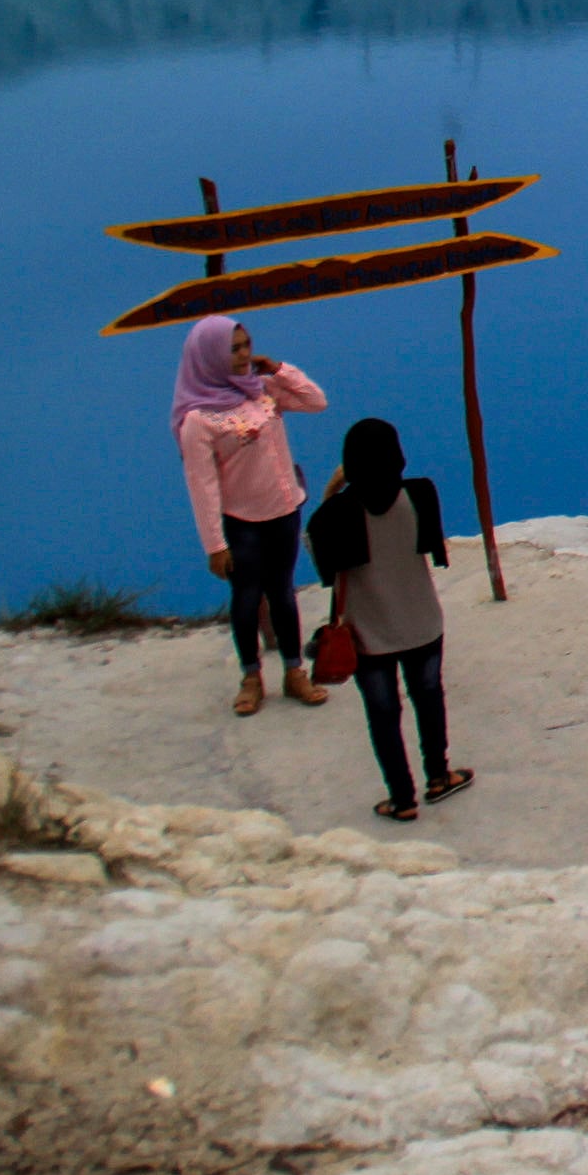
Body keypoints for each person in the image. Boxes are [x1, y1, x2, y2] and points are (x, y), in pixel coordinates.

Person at [308, 417, 471, 822]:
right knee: (429, 699)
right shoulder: (421, 494)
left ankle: (402, 799)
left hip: (369, 635)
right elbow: (435, 544)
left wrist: (332, 491)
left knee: (383, 716)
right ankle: (438, 776)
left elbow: (323, 565)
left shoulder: (339, 513)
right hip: (422, 623)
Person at [172, 313, 329, 717]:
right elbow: (202, 485)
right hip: (243, 522)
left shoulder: (262, 390)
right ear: (208, 357)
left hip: (284, 510)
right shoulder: (199, 420)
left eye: (245, 345)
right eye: (233, 349)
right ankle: (250, 676)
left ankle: (295, 672)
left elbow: (315, 401)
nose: (243, 355)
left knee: (283, 594)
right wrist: (214, 545)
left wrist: (278, 369)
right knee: (245, 598)